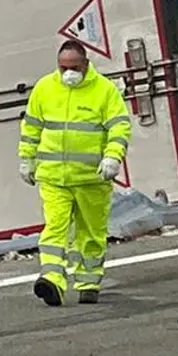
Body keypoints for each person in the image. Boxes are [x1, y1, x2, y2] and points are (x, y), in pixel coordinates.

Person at [18, 39, 132, 307]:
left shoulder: (104, 91)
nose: (68, 73)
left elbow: (119, 128)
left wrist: (113, 157)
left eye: (74, 67)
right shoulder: (45, 88)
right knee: (54, 229)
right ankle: (52, 280)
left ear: (86, 64)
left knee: (91, 232)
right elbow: (31, 127)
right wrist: (26, 159)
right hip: (53, 178)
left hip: (92, 178)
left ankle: (88, 282)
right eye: (63, 67)